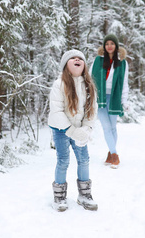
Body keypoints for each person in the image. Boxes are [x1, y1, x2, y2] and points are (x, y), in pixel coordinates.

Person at [48, 50, 98, 212]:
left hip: (80, 129)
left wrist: (86, 129)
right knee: (63, 161)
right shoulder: (59, 84)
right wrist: (72, 131)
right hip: (61, 129)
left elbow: (92, 110)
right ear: (65, 66)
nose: (77, 60)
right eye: (73, 58)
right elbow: (56, 112)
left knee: (84, 160)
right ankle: (59, 196)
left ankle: (84, 195)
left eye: (80, 59)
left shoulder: (89, 85)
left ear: (84, 66)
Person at [91, 34, 129, 169]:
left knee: (113, 127)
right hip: (100, 98)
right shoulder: (97, 61)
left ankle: (110, 155)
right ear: (104, 46)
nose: (109, 46)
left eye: (112, 43)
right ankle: (115, 155)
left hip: (114, 98)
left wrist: (124, 101)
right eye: (107, 44)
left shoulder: (123, 62)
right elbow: (89, 80)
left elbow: (124, 83)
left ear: (116, 46)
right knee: (106, 127)